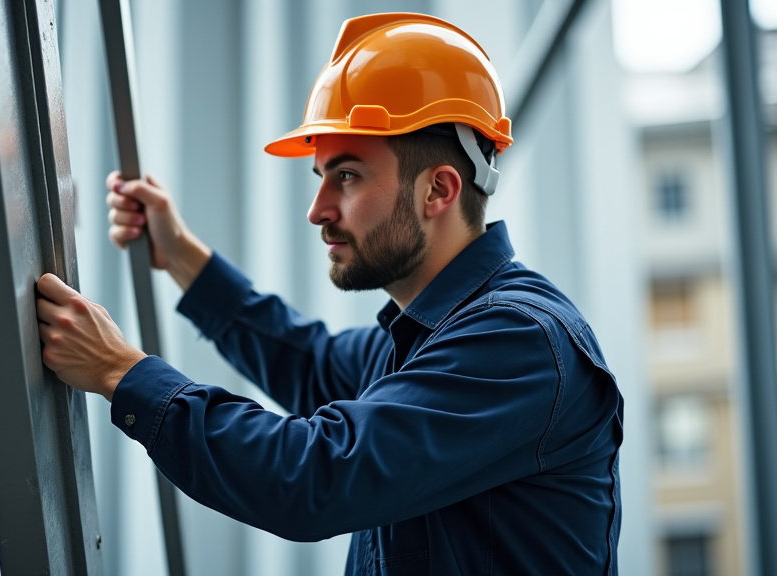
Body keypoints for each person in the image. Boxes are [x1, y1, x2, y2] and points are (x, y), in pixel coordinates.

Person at [36, 12, 623, 576]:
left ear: (438, 190)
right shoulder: (419, 341)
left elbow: (313, 477)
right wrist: (182, 256)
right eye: (321, 179)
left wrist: (119, 371)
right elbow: (307, 360)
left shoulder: (517, 341)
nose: (317, 211)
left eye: (347, 176)